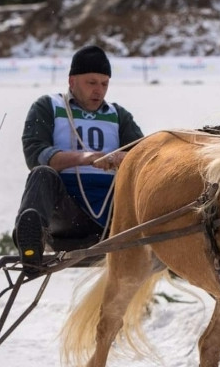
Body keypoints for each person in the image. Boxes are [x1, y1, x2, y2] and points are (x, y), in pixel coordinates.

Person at [14, 44, 145, 270]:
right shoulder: (49, 106)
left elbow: (142, 155)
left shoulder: (118, 115)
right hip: (67, 214)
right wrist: (86, 158)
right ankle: (31, 242)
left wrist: (124, 158)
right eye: (91, 83)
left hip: (113, 214)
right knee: (41, 173)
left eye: (104, 84)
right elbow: (35, 154)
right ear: (72, 81)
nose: (99, 90)